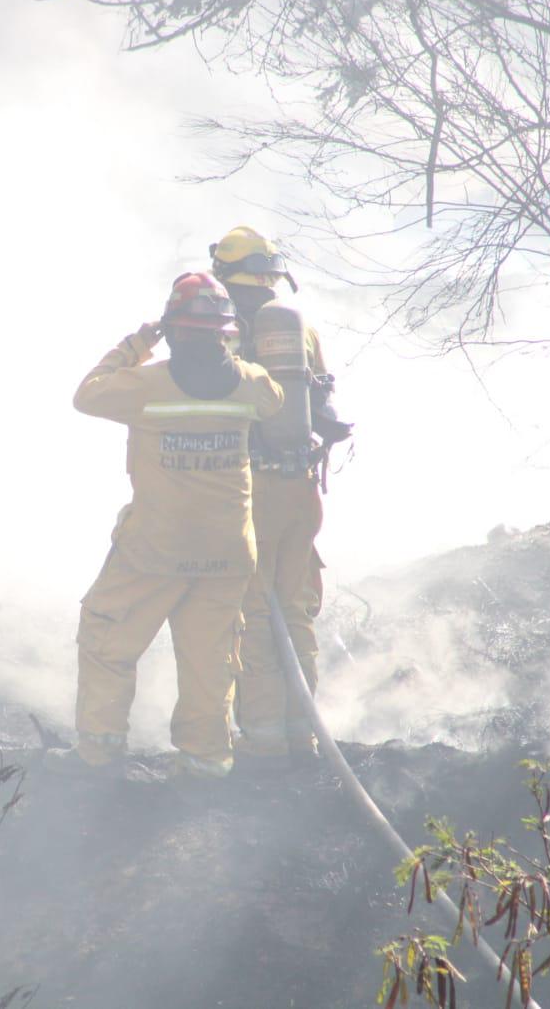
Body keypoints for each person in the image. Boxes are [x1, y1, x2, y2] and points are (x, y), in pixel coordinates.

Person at [49, 271, 283, 780]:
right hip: (227, 554)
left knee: (107, 639)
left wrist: (137, 343)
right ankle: (205, 764)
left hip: (155, 550)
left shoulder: (145, 383)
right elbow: (276, 402)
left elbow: (86, 394)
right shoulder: (251, 383)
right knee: (211, 662)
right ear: (226, 331)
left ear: (173, 330)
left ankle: (98, 754)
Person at [208, 226, 352, 772]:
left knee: (252, 612)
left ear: (224, 271)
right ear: (272, 273)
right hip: (300, 492)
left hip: (249, 491)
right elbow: (323, 402)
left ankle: (264, 743)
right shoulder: (299, 328)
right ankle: (305, 737)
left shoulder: (222, 328)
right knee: (294, 611)